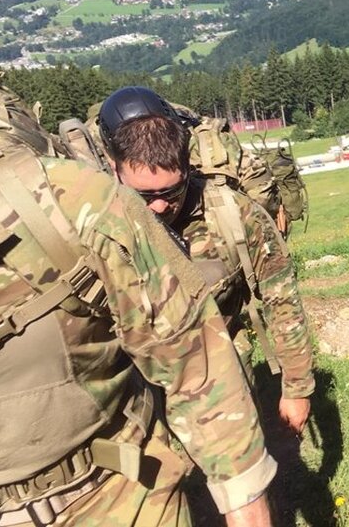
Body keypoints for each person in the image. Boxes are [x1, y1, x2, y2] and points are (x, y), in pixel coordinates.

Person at [0, 142, 275, 527]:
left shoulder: (64, 202)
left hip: (120, 494)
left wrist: (245, 499)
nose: (160, 204)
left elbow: (193, 358)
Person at [97, 88, 315, 438]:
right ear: (114, 167)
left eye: (170, 193)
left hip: (223, 371)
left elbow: (283, 302)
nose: (158, 208)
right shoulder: (94, 227)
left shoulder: (234, 214)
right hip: (138, 393)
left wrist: (297, 388)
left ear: (187, 164)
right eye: (143, 195)